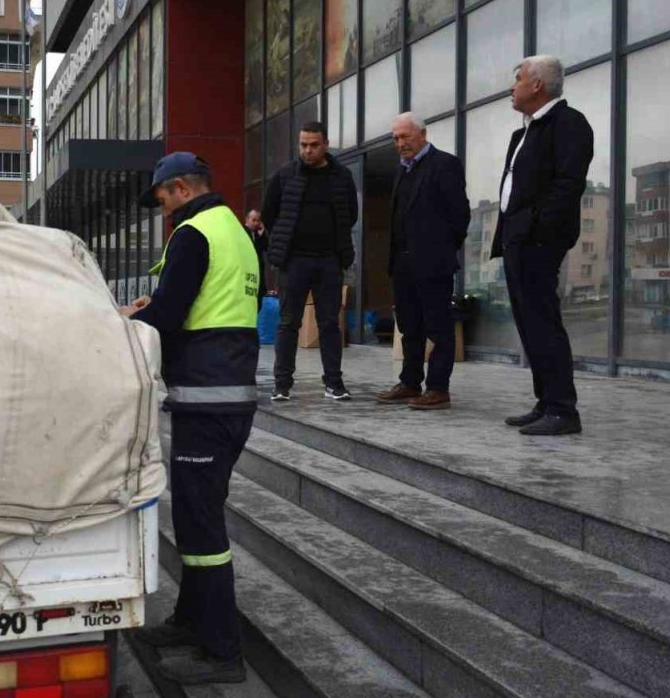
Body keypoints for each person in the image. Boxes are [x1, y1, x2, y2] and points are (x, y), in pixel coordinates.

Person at [120, 151, 259, 685]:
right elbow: (205, 303)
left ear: (180, 188)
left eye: (161, 201)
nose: (163, 213)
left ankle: (222, 652)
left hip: (207, 397)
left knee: (201, 525)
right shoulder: (234, 232)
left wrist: (128, 321)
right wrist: (152, 304)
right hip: (229, 395)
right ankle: (191, 622)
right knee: (200, 514)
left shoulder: (194, 233)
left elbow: (170, 317)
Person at [491, 55, 594, 436]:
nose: (511, 88)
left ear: (537, 85)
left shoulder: (569, 123)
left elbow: (569, 185)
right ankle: (546, 401)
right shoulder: (525, 132)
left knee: (544, 322)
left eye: (517, 79)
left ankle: (564, 410)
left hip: (538, 241)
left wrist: (537, 228)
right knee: (528, 323)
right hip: (517, 239)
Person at [253, 122, 358, 401]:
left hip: (329, 261)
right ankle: (282, 385)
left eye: (313, 145)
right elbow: (269, 213)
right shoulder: (285, 175)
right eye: (303, 145)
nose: (308, 150)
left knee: (329, 324)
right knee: (288, 323)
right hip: (294, 261)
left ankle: (334, 384)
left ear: (325, 144)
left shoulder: (342, 176)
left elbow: (352, 215)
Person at [376, 112, 470, 410]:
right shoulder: (401, 171)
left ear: (422, 134)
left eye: (405, 136)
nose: (400, 143)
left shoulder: (445, 164)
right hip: (403, 265)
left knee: (439, 328)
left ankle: (438, 388)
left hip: (433, 264)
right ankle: (410, 382)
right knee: (410, 327)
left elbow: (460, 216)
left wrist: (440, 250)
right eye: (395, 138)